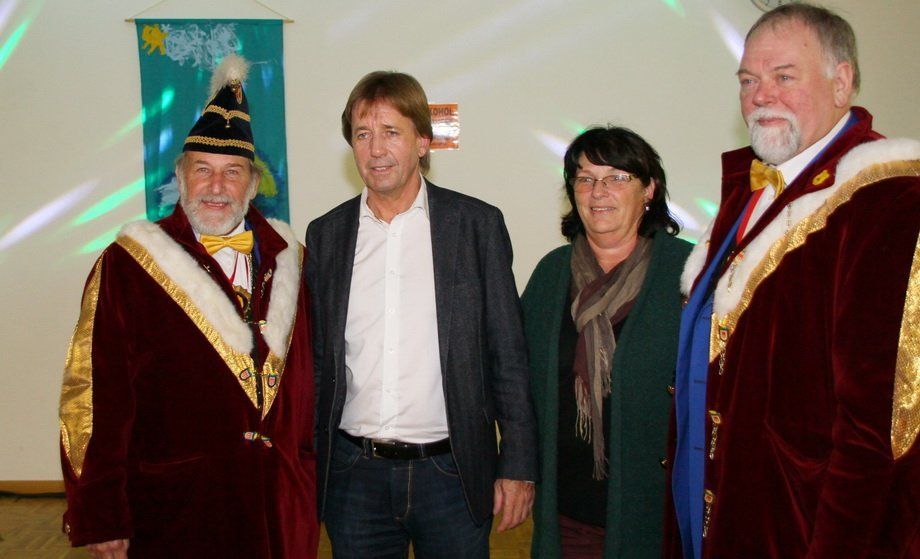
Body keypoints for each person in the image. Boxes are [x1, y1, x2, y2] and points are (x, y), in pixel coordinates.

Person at [670, 4, 920, 558]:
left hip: (799, 529)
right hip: (721, 516)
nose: (761, 96)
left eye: (784, 77)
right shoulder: (749, 194)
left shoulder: (889, 201)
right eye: (748, 81)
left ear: (842, 82)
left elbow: (876, 429)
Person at [59, 55, 318, 558]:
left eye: (232, 172)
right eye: (202, 170)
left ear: (253, 184)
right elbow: (93, 397)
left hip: (279, 509)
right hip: (176, 511)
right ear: (180, 178)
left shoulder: (294, 261)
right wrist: (101, 512)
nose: (217, 187)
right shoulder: (127, 266)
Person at [306, 71, 538, 559]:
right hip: (353, 477)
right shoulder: (326, 235)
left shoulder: (476, 226)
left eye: (391, 132)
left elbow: (509, 355)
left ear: (423, 142)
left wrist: (517, 466)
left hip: (451, 473)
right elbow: (319, 361)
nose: (376, 149)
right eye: (363, 134)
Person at [522, 127, 691, 558]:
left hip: (657, 511)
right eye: (585, 179)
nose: (599, 192)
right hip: (568, 511)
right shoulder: (551, 275)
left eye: (617, 177)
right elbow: (517, 384)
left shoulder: (688, 273)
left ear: (649, 189)